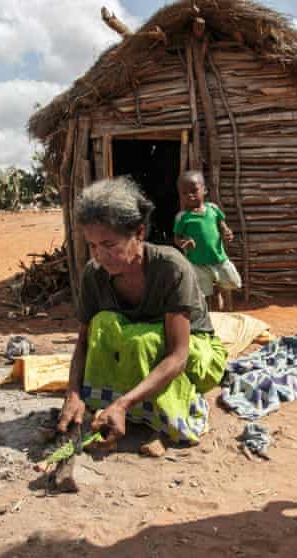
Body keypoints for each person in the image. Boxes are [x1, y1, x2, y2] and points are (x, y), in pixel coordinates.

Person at [57, 177, 228, 451]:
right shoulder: (93, 274)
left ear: (138, 233)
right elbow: (84, 341)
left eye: (109, 244)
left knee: (143, 342)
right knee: (102, 325)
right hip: (138, 347)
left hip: (193, 352)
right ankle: (106, 408)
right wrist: (73, 394)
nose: (100, 255)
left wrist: (124, 403)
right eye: (92, 245)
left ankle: (160, 417)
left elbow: (179, 355)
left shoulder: (170, 267)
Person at [173, 171, 242, 310]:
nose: (190, 195)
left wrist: (227, 234)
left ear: (204, 190)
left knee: (230, 283)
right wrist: (183, 242)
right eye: (184, 193)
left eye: (194, 191)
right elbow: (177, 238)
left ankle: (228, 312)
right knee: (205, 294)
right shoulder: (183, 217)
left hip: (219, 259)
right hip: (198, 263)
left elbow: (223, 228)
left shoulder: (213, 209)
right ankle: (213, 317)